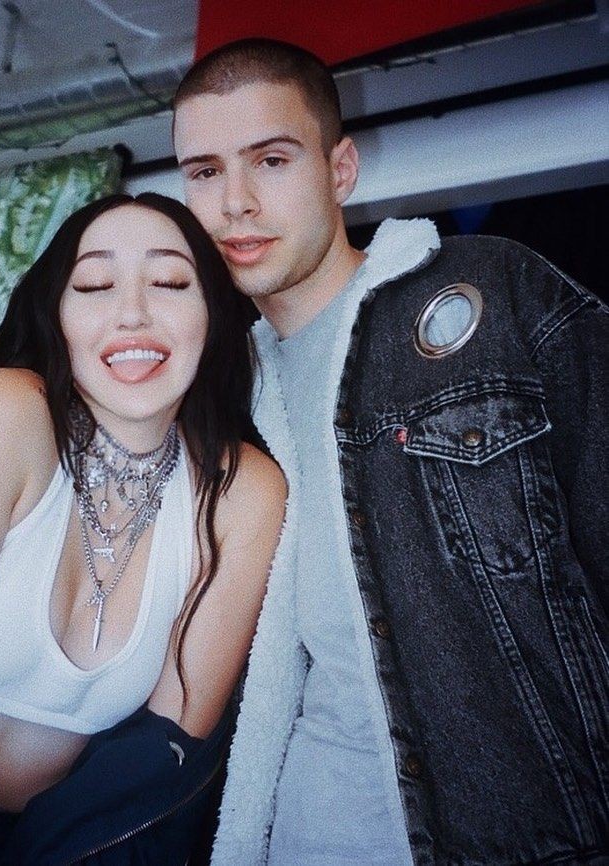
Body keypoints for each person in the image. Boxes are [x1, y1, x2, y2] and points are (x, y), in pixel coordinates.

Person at [172, 38, 609, 866]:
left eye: (271, 160)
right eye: (203, 171)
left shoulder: (494, 292)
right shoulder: (213, 397)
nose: (233, 203)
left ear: (339, 169)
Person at [0, 191, 286, 864]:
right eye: (94, 285)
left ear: (213, 315)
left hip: (54, 847)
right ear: (56, 315)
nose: (132, 312)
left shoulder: (244, 493)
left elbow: (159, 760)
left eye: (170, 282)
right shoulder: (4, 411)